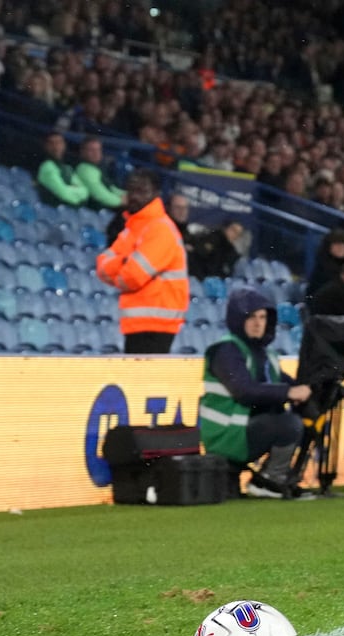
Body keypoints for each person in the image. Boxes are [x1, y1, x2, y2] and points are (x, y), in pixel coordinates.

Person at [200, 287, 313, 498]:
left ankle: (279, 476)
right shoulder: (226, 350)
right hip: (225, 434)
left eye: (262, 317)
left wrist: (305, 390)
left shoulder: (265, 354)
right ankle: (270, 479)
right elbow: (244, 391)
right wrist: (289, 392)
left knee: (305, 416)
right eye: (251, 317)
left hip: (242, 428)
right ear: (238, 319)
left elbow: (285, 383)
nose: (258, 323)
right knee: (288, 424)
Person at [95, 169, 189, 354]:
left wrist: (120, 266)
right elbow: (102, 268)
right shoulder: (133, 228)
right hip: (138, 322)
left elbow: (131, 277)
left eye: (142, 191)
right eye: (131, 190)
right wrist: (125, 262)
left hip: (156, 324)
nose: (135, 196)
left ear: (156, 193)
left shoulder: (160, 229)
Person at [36, 131, 89, 207]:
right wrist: (76, 193)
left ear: (64, 145)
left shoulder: (67, 168)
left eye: (59, 142)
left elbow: (85, 192)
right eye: (51, 143)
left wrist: (68, 188)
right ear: (46, 146)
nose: (56, 147)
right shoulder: (47, 167)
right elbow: (64, 194)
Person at [75, 136, 124, 210]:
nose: (96, 153)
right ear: (83, 152)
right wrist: (121, 201)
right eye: (92, 150)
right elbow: (101, 195)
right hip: (92, 211)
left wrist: (129, 196)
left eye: (98, 149)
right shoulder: (84, 169)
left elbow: (111, 188)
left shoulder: (98, 167)